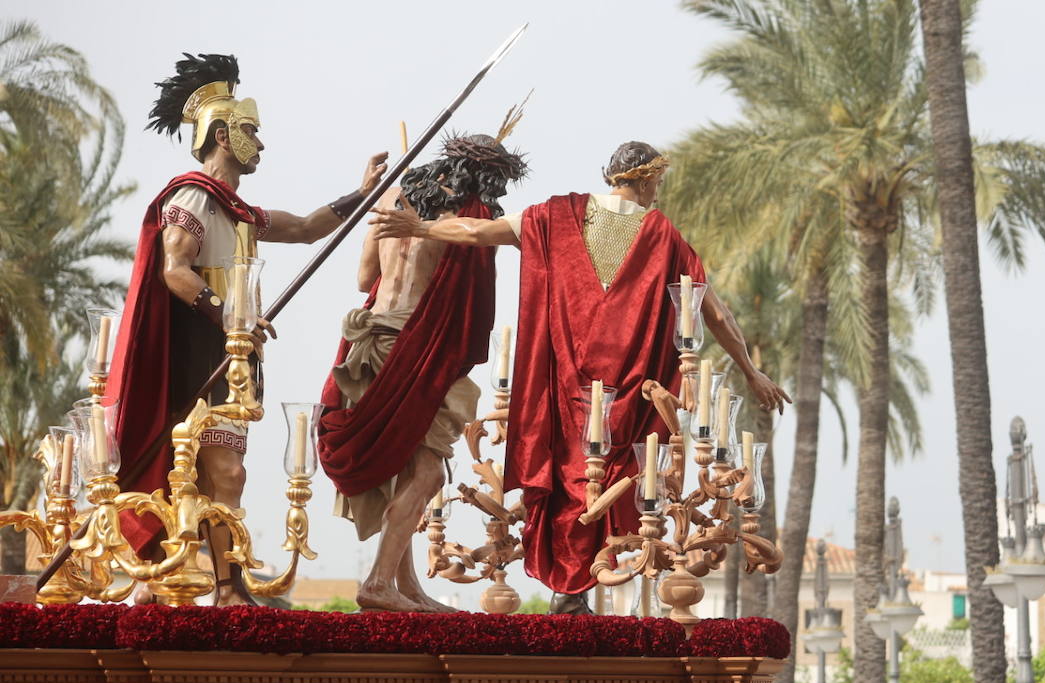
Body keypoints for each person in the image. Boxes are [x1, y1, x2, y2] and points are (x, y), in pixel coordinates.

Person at [370, 141, 788, 612]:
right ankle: (574, 594)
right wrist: (751, 371)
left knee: (567, 480)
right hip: (628, 392)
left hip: (561, 386)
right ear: (647, 180)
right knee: (618, 481)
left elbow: (478, 233)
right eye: (658, 185)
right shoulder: (663, 236)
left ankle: (569, 593)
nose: (657, 194)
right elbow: (711, 310)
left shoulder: (553, 215)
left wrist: (420, 226)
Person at [110, 52, 386, 603]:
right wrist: (231, 315)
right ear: (220, 133)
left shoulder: (238, 212)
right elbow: (174, 271)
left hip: (235, 356)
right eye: (250, 131)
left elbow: (308, 228)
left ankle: (191, 583)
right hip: (201, 352)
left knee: (218, 475)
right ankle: (222, 586)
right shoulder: (193, 197)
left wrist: (363, 193)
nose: (260, 144)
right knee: (221, 473)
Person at [319, 132, 527, 612]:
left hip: (369, 340)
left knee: (409, 467)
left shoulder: (393, 196)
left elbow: (364, 280)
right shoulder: (470, 216)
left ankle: (404, 584)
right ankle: (377, 582)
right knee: (429, 471)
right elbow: (473, 289)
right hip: (417, 345)